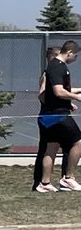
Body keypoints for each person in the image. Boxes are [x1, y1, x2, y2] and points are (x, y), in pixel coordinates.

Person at [36, 40, 81, 193]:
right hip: (57, 115)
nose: (75, 59)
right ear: (69, 53)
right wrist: (77, 98)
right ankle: (68, 178)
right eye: (75, 56)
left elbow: (62, 89)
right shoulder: (57, 67)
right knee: (79, 143)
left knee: (51, 148)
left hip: (48, 116)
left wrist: (77, 92)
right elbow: (58, 92)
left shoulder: (56, 67)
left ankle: (45, 183)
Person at [32, 46, 69, 190]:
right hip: (51, 115)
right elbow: (42, 94)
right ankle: (61, 179)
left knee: (50, 148)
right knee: (70, 144)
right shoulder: (48, 74)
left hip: (51, 114)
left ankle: (43, 181)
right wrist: (53, 104)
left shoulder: (52, 73)